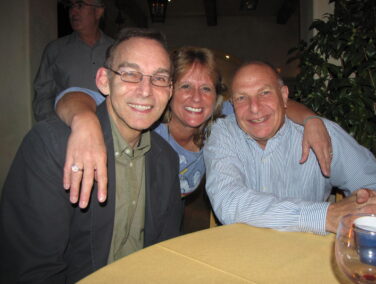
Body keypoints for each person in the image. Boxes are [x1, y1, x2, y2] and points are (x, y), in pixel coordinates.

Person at [0, 28, 183, 283]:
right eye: (130, 74)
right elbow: (31, 270)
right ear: (103, 81)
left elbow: (166, 251)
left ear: (170, 90)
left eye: (160, 78)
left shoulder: (166, 159)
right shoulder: (51, 147)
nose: (146, 90)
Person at [54, 49, 333, 208]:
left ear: (218, 97)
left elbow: (268, 102)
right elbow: (73, 96)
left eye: (206, 89)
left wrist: (312, 120)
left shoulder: (221, 119)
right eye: (186, 86)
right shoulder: (146, 119)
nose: (196, 99)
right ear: (169, 89)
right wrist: (84, 121)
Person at [204, 61, 376, 234]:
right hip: (240, 254)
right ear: (233, 103)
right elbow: (229, 201)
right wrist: (326, 216)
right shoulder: (224, 134)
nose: (254, 107)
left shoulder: (321, 134)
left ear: (284, 95)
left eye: (264, 93)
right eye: (241, 98)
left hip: (307, 255)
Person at [32, 0, 114, 121]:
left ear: (98, 12)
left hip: (112, 133)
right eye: (71, 6)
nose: (73, 12)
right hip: (69, 133)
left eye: (80, 5)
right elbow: (43, 97)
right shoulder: (55, 50)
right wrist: (58, 127)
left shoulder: (117, 49)